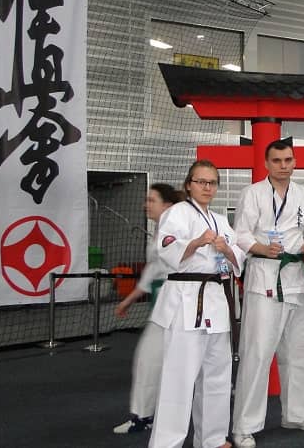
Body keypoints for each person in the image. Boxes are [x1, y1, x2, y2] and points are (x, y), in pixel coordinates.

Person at [231, 140, 304, 448]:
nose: (283, 165)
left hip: (296, 278)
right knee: (257, 353)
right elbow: (240, 234)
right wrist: (260, 247)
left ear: (294, 162)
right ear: (267, 163)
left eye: (288, 160)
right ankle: (244, 426)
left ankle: (297, 414)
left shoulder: (302, 194)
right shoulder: (253, 193)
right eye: (277, 160)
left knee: (301, 350)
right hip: (265, 279)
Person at [149, 160, 245, 448]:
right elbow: (166, 249)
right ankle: (167, 443)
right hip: (185, 298)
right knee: (178, 377)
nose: (207, 187)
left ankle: (213, 438)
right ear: (189, 184)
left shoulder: (220, 220)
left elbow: (238, 257)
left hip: (216, 299)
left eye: (212, 182)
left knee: (217, 375)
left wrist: (226, 249)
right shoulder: (177, 213)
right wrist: (196, 242)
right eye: (201, 181)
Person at [113, 184, 186, 435]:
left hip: (182, 302)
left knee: (167, 360)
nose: (147, 205)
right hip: (165, 305)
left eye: (152, 200)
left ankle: (148, 416)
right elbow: (152, 271)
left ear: (167, 205)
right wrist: (128, 300)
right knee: (150, 359)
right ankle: (144, 416)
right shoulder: (159, 232)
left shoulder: (179, 228)